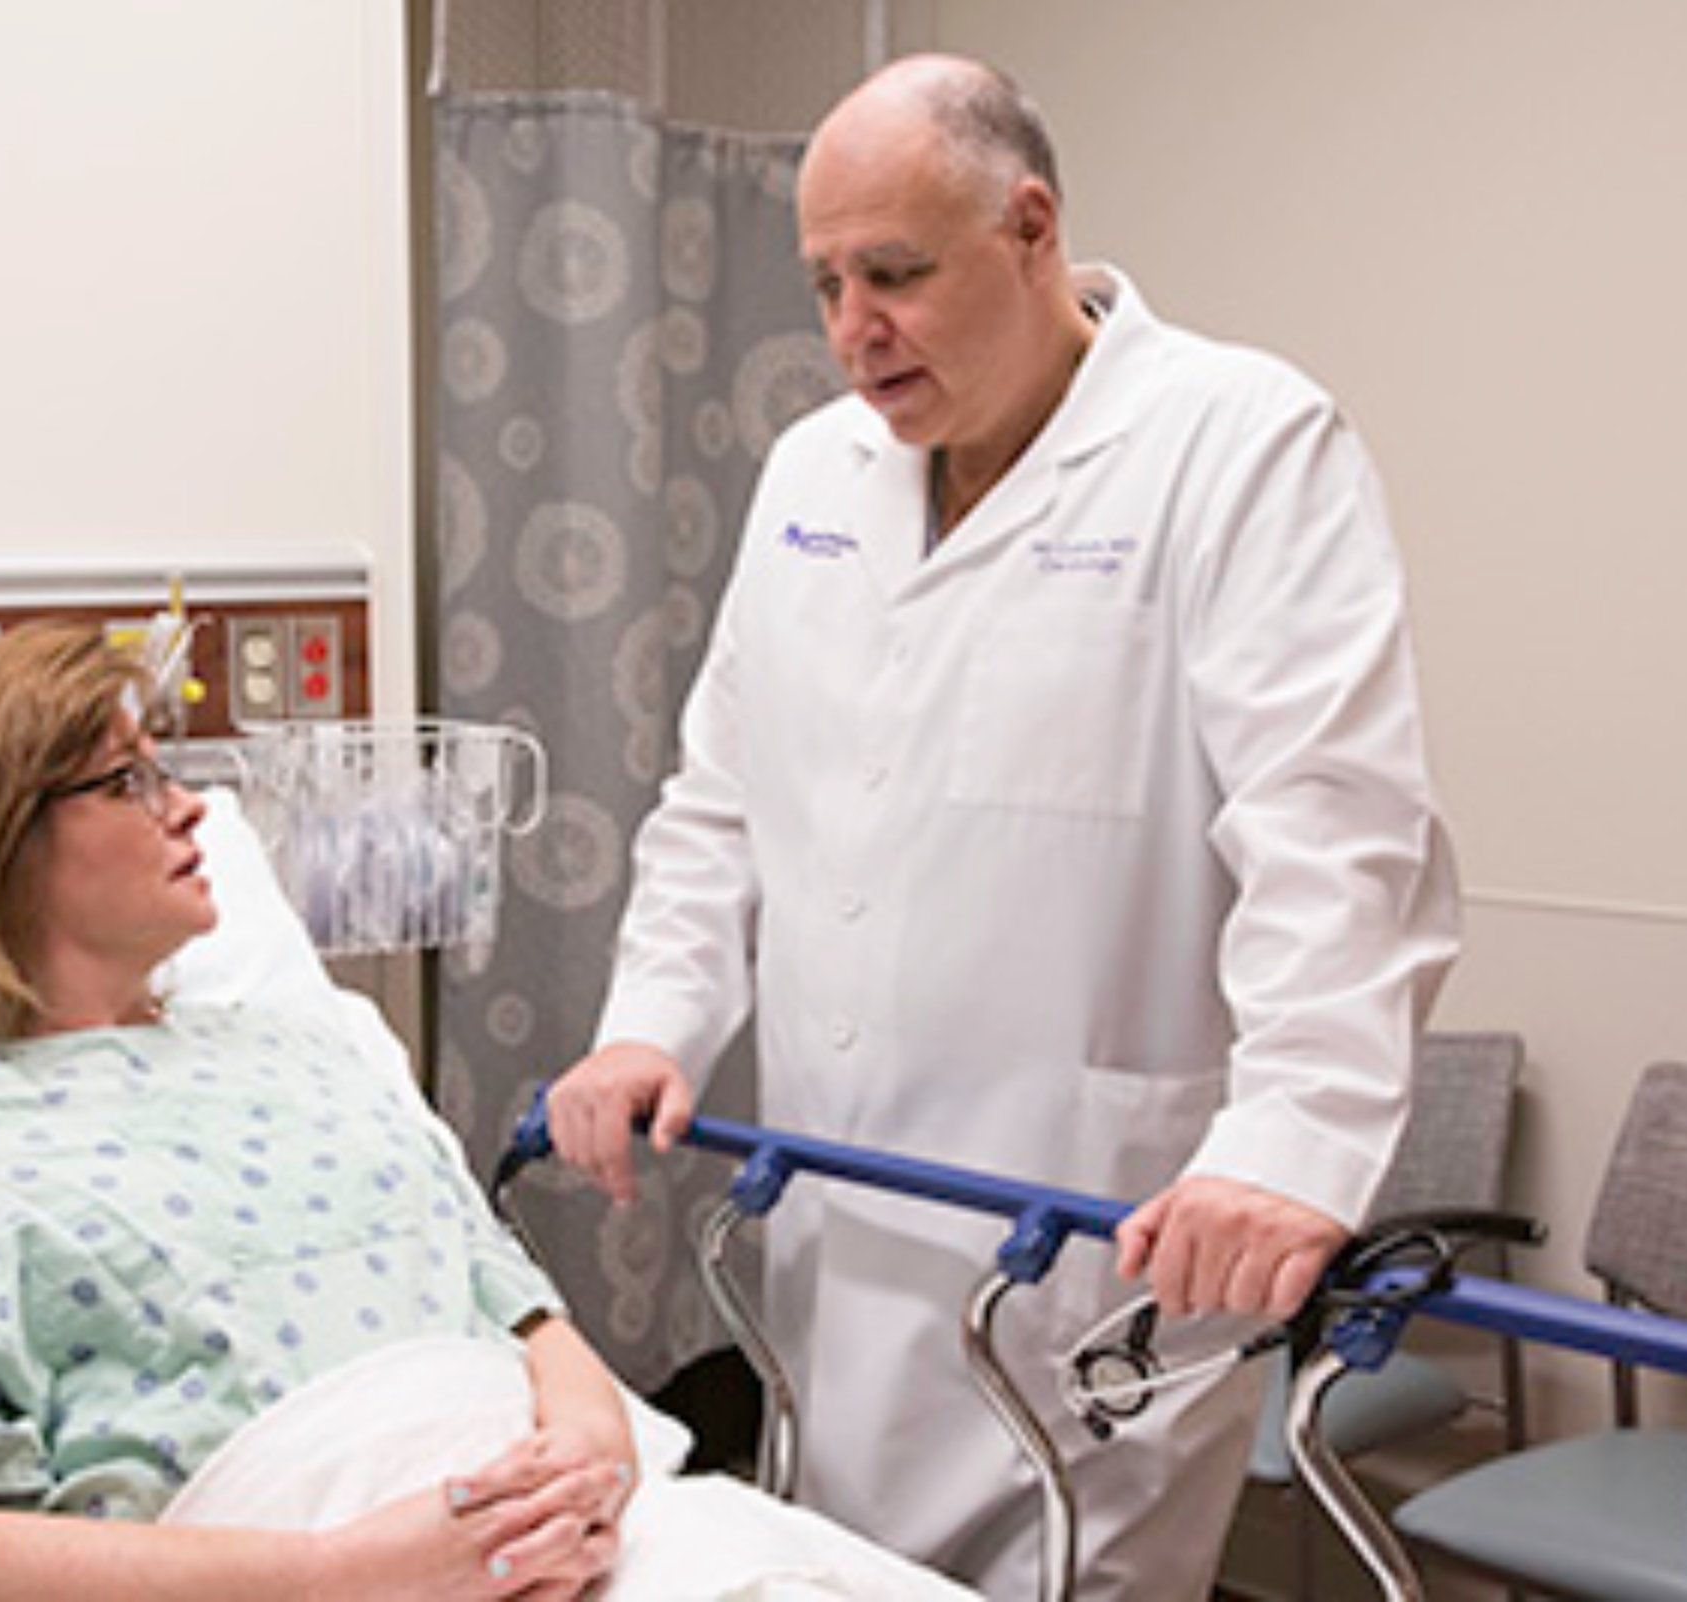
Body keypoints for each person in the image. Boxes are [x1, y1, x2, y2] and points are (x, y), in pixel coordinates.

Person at [544, 53, 1460, 1599]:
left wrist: (1294, 1146)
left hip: (1097, 1230)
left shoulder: (1238, 442)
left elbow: (1333, 831)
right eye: (827, 280)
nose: (853, 330)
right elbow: (720, 801)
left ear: (1030, 227)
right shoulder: (809, 474)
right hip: (844, 1221)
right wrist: (654, 1022)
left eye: (894, 272)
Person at [0, 619, 636, 1600]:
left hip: (550, 1538)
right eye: (127, 781)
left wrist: (591, 1475)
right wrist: (346, 1575)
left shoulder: (302, 1053)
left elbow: (530, 1322)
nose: (186, 811)